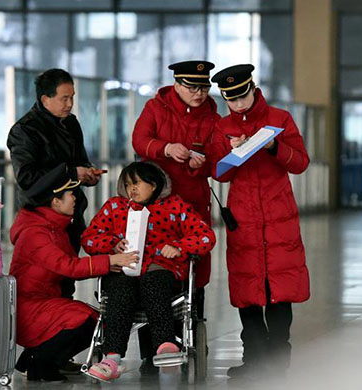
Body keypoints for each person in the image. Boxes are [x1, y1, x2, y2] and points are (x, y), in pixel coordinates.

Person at [208, 64, 310, 379]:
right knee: (248, 290)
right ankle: (253, 359)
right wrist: (232, 151)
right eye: (231, 100)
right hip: (244, 218)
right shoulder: (222, 126)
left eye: (243, 97)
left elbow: (300, 163)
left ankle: (278, 359)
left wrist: (273, 146)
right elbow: (218, 172)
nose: (238, 105)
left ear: (253, 89)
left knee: (279, 290)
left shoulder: (279, 119)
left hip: (279, 215)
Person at [80, 161, 216, 382]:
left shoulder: (174, 206)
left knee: (154, 283)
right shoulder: (115, 207)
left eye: (136, 183)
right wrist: (112, 245)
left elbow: (205, 236)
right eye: (127, 184)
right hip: (124, 268)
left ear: (154, 185)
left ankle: (165, 346)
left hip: (160, 267)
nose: (131, 189)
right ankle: (112, 358)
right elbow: (89, 238)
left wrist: (179, 247)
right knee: (119, 290)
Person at [9, 163, 138, 381]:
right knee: (84, 321)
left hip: (42, 305)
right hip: (30, 310)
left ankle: (33, 359)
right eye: (70, 194)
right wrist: (108, 261)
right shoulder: (36, 234)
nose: (75, 198)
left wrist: (110, 262)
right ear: (55, 201)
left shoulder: (53, 228)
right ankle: (42, 366)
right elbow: (68, 266)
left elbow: (71, 266)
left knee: (93, 319)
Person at [131, 60, 220, 371]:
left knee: (194, 266)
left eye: (204, 87)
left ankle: (192, 330)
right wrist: (165, 148)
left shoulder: (212, 115)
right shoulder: (156, 108)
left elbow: (219, 158)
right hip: (157, 205)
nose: (199, 93)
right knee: (152, 267)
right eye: (192, 87)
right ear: (177, 85)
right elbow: (139, 141)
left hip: (193, 206)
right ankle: (153, 346)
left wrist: (204, 165)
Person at [7, 68, 105, 253]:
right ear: (45, 99)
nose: (70, 104)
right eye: (64, 98)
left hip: (71, 216)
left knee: (68, 277)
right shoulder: (25, 130)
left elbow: (80, 161)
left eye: (72, 97)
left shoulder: (71, 123)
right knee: (43, 276)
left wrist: (88, 173)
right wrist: (72, 172)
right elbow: (27, 179)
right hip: (41, 219)